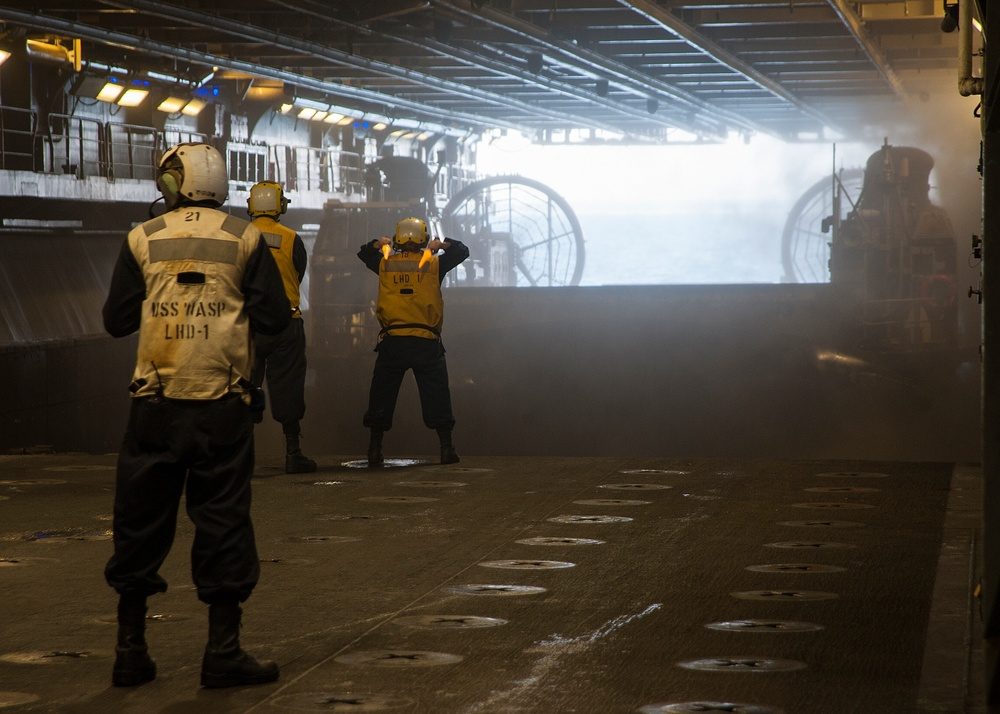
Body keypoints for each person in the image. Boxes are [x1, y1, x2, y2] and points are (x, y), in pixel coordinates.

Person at [102, 142, 289, 689]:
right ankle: (222, 654)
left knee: (139, 523)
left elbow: (115, 321)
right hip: (221, 408)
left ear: (172, 183)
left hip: (154, 405)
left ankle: (130, 653)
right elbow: (275, 318)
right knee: (224, 524)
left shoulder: (143, 238)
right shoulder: (244, 238)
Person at [357, 216, 470, 466]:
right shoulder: (433, 265)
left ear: (397, 239)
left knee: (382, 395)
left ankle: (374, 449)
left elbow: (363, 253)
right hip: (426, 341)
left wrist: (379, 243)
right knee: (437, 394)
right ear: (424, 238)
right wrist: (442, 245)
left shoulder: (385, 264)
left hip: (393, 341)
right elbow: (463, 251)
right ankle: (446, 448)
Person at [246, 180, 317, 474]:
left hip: (246, 324)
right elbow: (297, 273)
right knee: (288, 386)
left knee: (243, 387)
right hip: (286, 322)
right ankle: (293, 453)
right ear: (279, 206)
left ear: (252, 206)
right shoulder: (291, 239)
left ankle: (242, 458)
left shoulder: (239, 236)